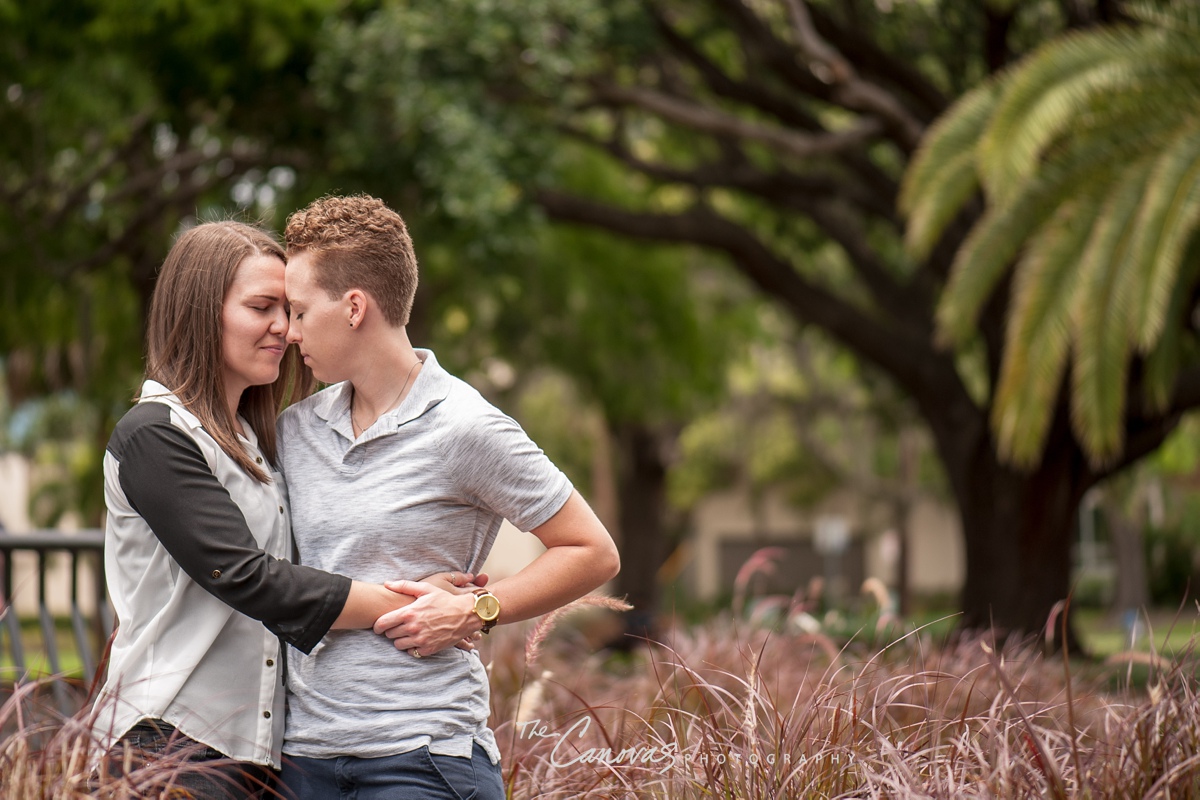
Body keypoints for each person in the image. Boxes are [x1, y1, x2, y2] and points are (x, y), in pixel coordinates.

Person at [90, 220, 476, 799]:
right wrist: (413, 601)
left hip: (259, 756)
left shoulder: (260, 443)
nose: (285, 329)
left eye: (291, 310)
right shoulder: (155, 435)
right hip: (167, 744)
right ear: (201, 312)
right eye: (262, 307)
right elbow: (246, 576)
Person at [276, 194, 621, 800]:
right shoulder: (296, 430)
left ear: (355, 307)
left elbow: (592, 551)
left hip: (423, 759)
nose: (290, 330)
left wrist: (477, 610)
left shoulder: (465, 427)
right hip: (304, 759)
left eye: (300, 311)